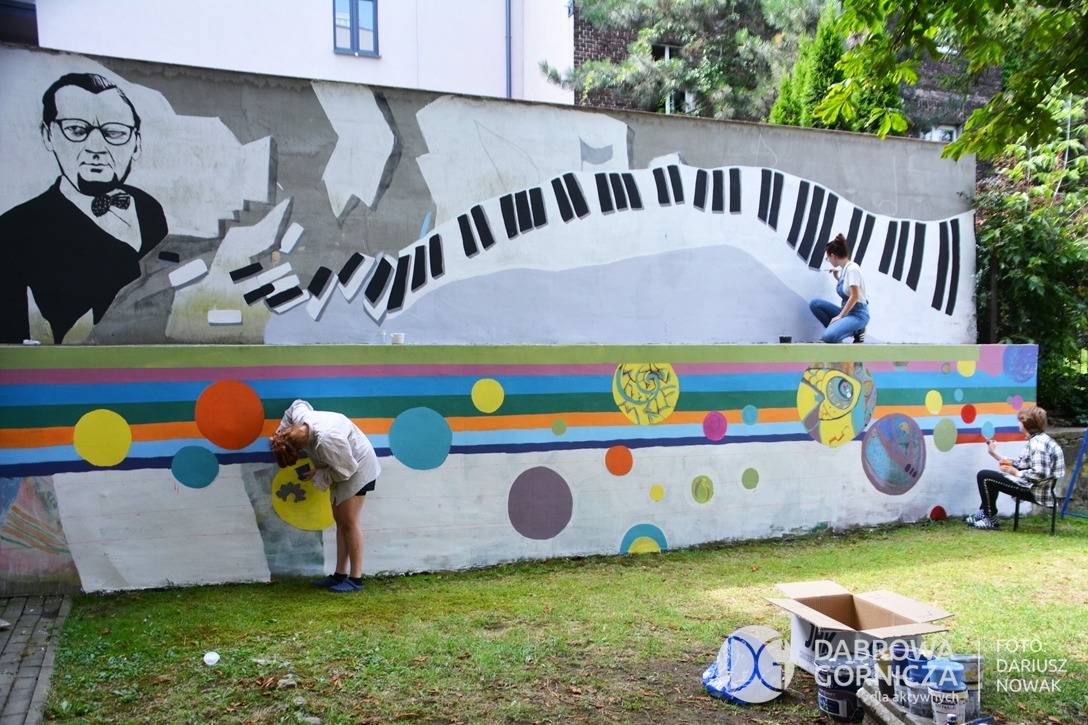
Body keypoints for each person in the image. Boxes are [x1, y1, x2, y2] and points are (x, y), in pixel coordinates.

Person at [0, 72, 168, 344]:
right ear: (48, 135)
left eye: (114, 132)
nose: (96, 148)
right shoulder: (15, 230)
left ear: (136, 143)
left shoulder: (149, 208)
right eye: (77, 130)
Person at [270, 400, 381, 592]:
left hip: (359, 467)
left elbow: (347, 470)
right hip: (342, 463)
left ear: (303, 444)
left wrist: (319, 474)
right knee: (340, 519)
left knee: (349, 521)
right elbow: (297, 404)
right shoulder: (300, 417)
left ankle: (356, 579)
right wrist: (280, 433)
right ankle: (339, 575)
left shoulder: (327, 441)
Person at [968, 406, 1065, 530]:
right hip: (1033, 486)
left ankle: (990, 519)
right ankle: (985, 514)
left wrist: (1017, 473)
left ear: (1026, 423)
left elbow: (1040, 473)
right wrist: (993, 452)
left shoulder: (1038, 444)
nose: (1018, 423)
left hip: (1034, 490)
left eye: (1020, 420)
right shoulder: (1038, 439)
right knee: (989, 477)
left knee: (984, 476)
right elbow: (1019, 463)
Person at [809, 234, 868, 343]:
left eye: (828, 258)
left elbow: (855, 296)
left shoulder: (852, 269)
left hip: (858, 314)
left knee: (828, 337)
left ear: (833, 256)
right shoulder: (845, 269)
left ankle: (857, 331)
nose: (829, 260)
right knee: (815, 304)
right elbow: (847, 289)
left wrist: (840, 316)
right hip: (848, 312)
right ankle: (836, 331)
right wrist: (837, 277)